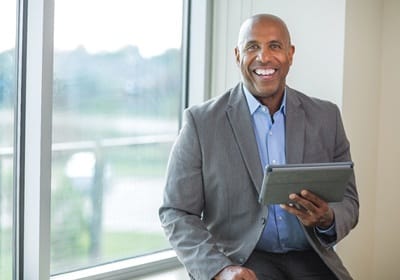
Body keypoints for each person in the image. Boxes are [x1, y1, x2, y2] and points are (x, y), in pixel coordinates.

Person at [159, 13, 359, 280]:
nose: (264, 57)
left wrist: (327, 218)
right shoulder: (201, 122)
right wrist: (219, 269)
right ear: (237, 55)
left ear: (290, 54)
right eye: (252, 47)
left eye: (274, 46)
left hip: (312, 259)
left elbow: (349, 202)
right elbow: (176, 211)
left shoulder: (326, 117)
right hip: (242, 261)